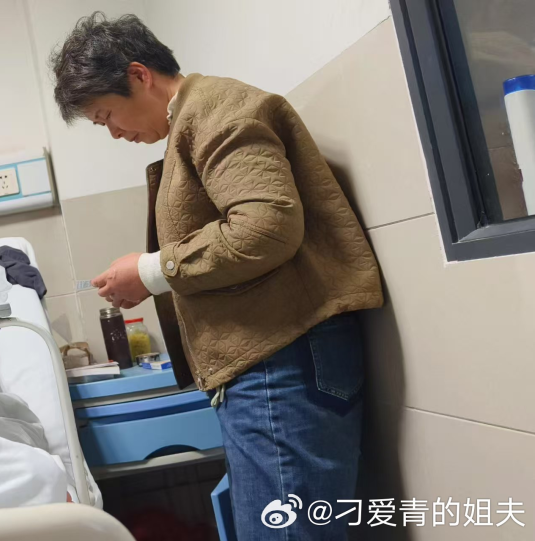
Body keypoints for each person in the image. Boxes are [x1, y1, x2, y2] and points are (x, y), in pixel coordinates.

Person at [50, 13, 383, 540]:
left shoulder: (217, 111)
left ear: (139, 75)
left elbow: (265, 228)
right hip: (274, 356)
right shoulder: (194, 121)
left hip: (280, 358)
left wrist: (150, 271)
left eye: (106, 115)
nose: (113, 132)